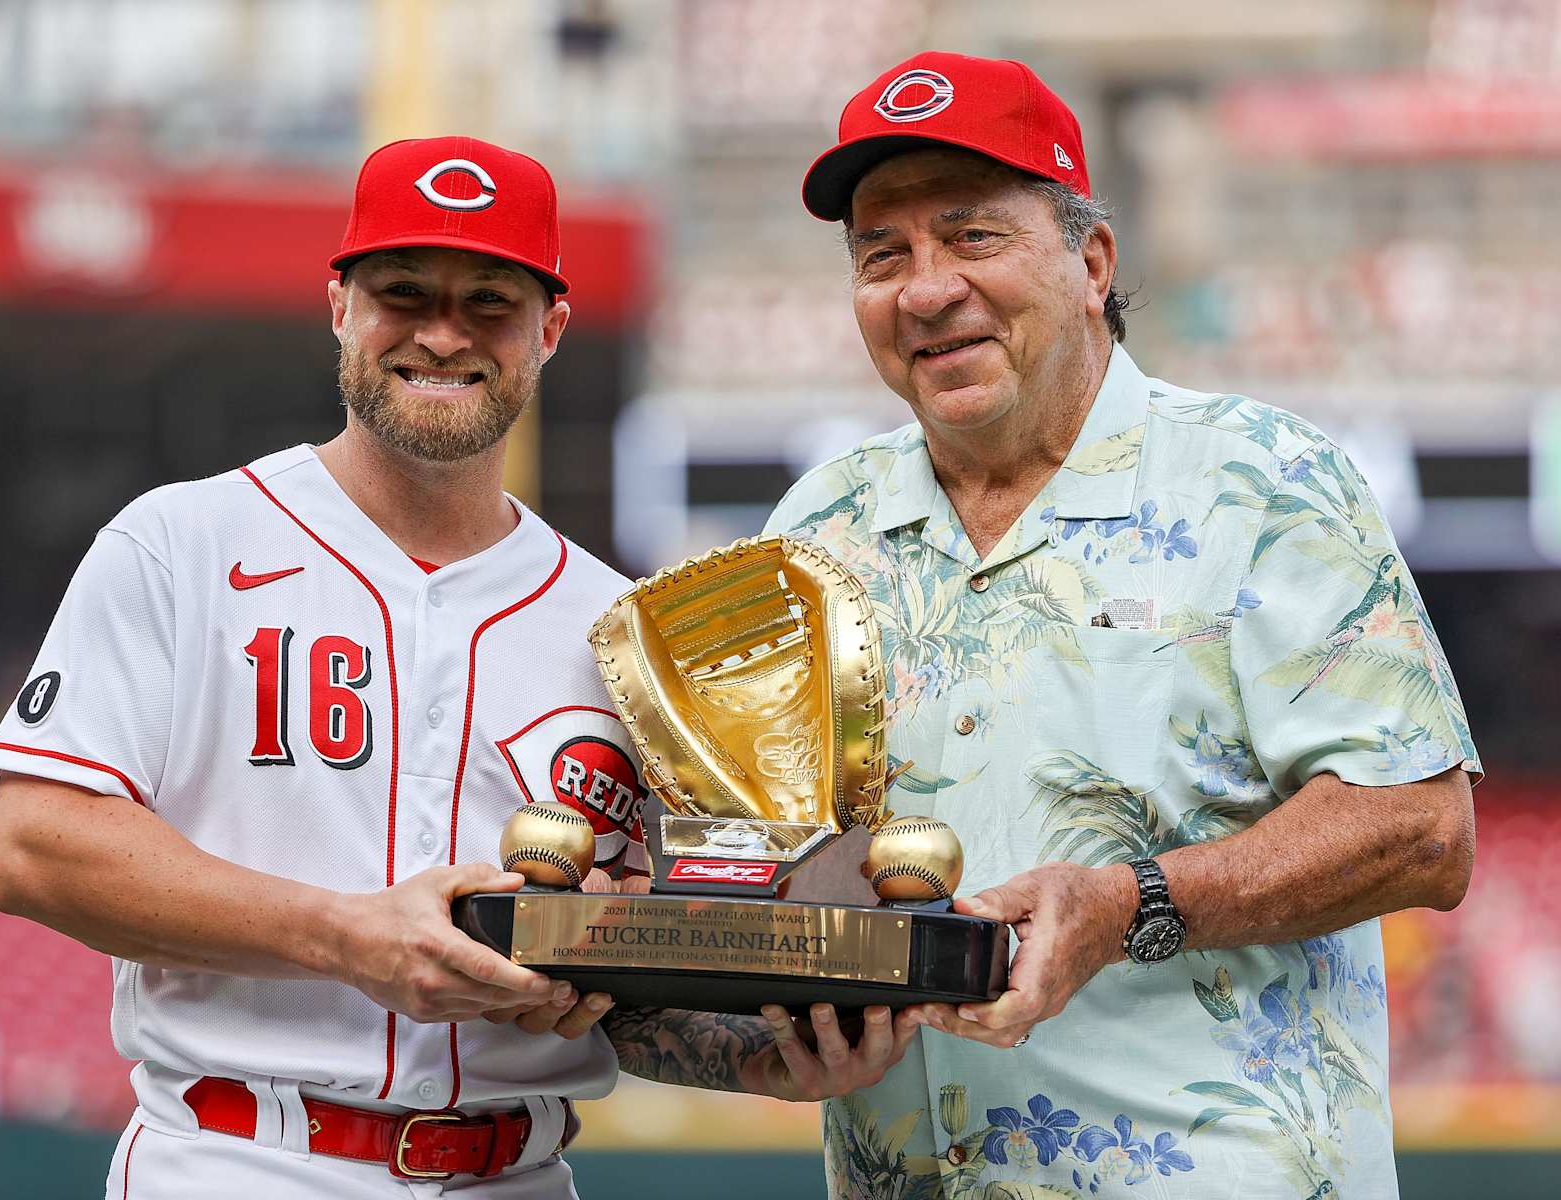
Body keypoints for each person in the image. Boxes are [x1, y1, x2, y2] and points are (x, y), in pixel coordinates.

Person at [617, 52, 1479, 1200]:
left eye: (973, 237)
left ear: (1091, 261)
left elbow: (1424, 827)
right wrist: (769, 1028)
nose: (925, 289)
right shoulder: (818, 527)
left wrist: (1127, 907)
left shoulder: (1262, 481)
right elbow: (768, 882)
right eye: (884, 253)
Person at [0, 136, 656, 1199]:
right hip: (238, 1156)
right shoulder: (180, 542)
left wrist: (688, 1005)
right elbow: (37, 849)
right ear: (340, 304)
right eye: (403, 293)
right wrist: (345, 936)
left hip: (520, 1169)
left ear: (550, 329)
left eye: (489, 300)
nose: (443, 333)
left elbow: (653, 925)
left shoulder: (622, 626)